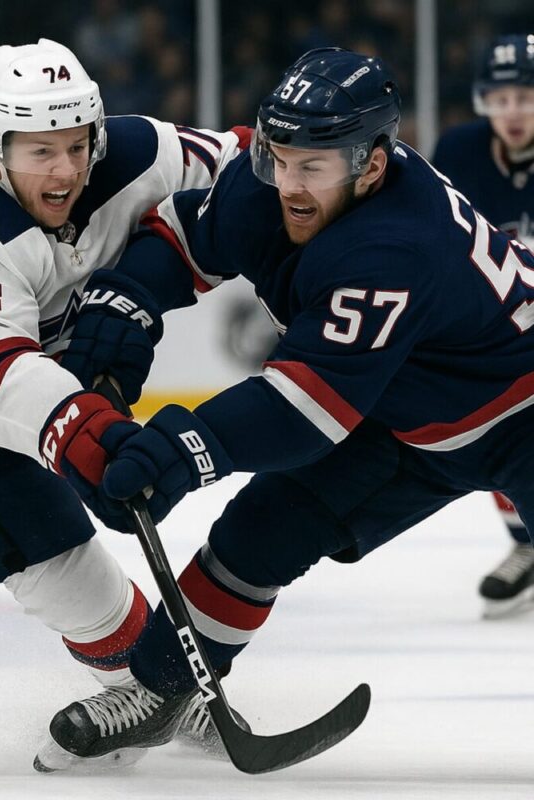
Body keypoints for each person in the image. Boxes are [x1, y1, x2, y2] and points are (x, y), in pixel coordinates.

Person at [34, 45, 534, 769]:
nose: (289, 185)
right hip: (405, 409)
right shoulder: (264, 179)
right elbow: (186, 236)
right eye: (280, 157)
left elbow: (303, 412)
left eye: (314, 167)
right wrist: (128, 302)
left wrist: (183, 448)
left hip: (521, 413)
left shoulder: (395, 247)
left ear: (371, 165)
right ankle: (157, 691)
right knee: (261, 531)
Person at [0, 37, 250, 770]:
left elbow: (257, 168)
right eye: (40, 152)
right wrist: (86, 431)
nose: (67, 170)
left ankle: (156, 703)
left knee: (82, 590)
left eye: (78, 146)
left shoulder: (137, 153)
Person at [432, 33, 534, 618]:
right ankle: (526, 543)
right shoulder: (460, 151)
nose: (512, 111)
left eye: (525, 97)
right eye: (500, 99)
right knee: (491, 413)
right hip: (501, 325)